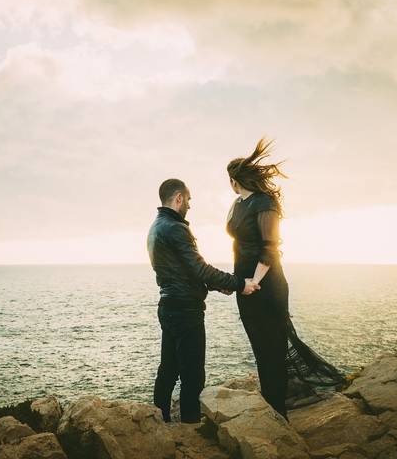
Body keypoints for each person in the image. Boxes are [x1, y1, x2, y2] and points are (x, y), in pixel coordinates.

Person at [226, 139, 346, 420]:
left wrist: (254, 281)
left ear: (234, 180)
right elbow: (237, 239)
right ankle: (272, 406)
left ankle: (279, 410)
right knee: (259, 346)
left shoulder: (266, 202)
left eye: (229, 180)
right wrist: (236, 282)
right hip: (245, 286)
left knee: (273, 348)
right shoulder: (237, 203)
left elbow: (269, 247)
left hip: (266, 285)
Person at [147, 178, 260, 423]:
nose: (189, 205)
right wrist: (239, 283)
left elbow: (182, 271)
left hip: (168, 307)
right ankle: (190, 424)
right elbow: (200, 269)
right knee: (193, 374)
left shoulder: (156, 227)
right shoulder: (176, 228)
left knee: (168, 369)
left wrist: (218, 286)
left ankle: (158, 419)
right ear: (178, 198)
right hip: (186, 311)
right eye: (188, 199)